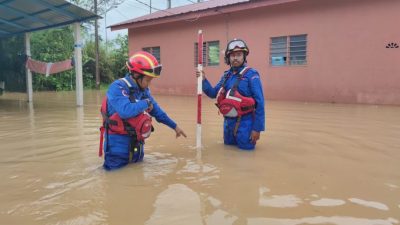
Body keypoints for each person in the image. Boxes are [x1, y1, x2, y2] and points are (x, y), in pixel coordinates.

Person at [99, 51, 187, 170]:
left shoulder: (143, 91)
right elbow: (125, 111)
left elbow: (157, 112)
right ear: (136, 75)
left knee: (138, 177)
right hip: (117, 148)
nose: (149, 84)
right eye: (148, 80)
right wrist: (146, 103)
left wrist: (175, 127)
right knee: (114, 180)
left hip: (137, 146)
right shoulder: (117, 87)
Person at [197, 39, 265, 150]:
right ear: (228, 58)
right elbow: (213, 93)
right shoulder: (226, 76)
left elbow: (260, 103)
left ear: (244, 56)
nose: (235, 58)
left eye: (239, 55)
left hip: (246, 124)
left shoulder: (252, 75)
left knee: (245, 157)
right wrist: (203, 80)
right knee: (228, 152)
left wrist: (257, 129)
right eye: (232, 55)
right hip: (228, 124)